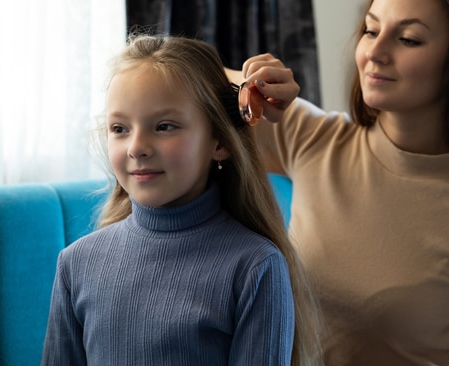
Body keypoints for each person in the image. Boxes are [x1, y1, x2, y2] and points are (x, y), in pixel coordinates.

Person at [226, 0, 449, 364]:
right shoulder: (312, 138)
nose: (375, 51)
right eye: (371, 30)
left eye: (408, 39)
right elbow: (179, 77)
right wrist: (254, 85)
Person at [41, 35, 322, 366]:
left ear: (220, 142)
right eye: (119, 128)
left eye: (164, 126)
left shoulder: (256, 267)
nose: (136, 147)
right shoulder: (76, 265)